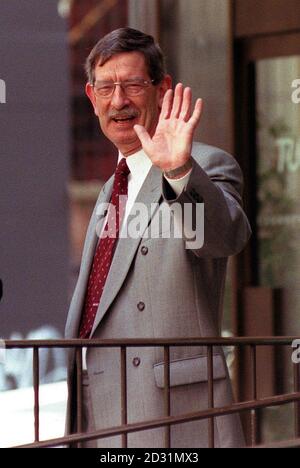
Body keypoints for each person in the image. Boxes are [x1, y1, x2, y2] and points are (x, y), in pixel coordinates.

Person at [65, 27, 251, 448]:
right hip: (98, 413)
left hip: (173, 417)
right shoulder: (108, 188)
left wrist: (179, 171)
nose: (119, 101)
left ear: (162, 89)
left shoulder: (202, 164)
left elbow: (224, 237)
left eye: (132, 85)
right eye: (106, 88)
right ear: (91, 98)